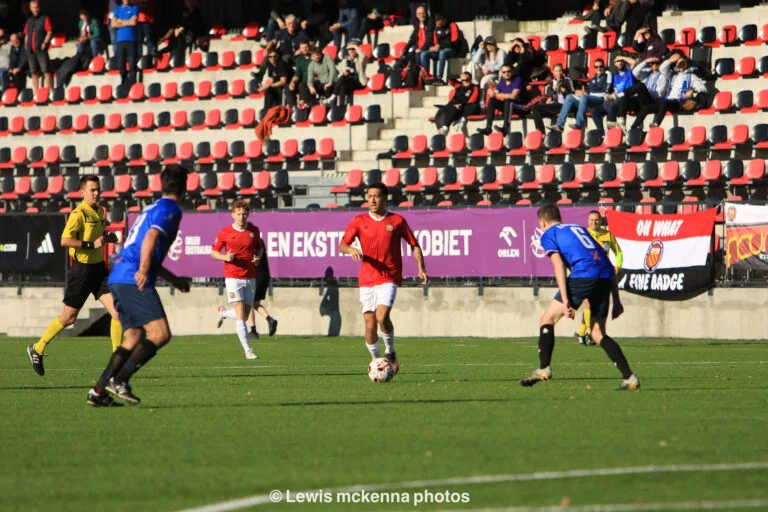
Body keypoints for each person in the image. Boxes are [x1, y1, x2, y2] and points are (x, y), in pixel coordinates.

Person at [88, 165, 191, 406]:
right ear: (185, 187)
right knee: (161, 333)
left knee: (133, 336)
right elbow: (151, 238)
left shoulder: (152, 207)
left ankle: (99, 391)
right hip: (132, 276)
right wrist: (144, 270)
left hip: (119, 276)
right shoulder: (170, 209)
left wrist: (174, 280)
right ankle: (120, 380)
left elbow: (147, 245)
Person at [520, 204, 639, 391]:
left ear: (542, 221)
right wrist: (617, 300)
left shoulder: (549, 234)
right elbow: (606, 261)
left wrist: (566, 299)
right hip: (605, 276)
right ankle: (629, 377)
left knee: (547, 319)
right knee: (597, 334)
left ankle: (544, 369)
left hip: (584, 274)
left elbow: (558, 265)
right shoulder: (579, 229)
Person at [26, 175, 122, 378]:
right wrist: (90, 245)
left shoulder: (100, 211)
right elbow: (64, 240)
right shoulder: (78, 214)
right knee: (68, 318)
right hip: (82, 271)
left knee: (118, 312)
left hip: (99, 270)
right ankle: (38, 348)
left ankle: (116, 362)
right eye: (92, 190)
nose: (96, 193)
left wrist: (107, 238)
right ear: (82, 192)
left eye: (98, 189)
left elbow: (97, 237)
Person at [339, 183, 428, 375]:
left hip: (389, 276)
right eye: (369, 196)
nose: (372, 200)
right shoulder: (358, 220)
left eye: (376, 196)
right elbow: (342, 245)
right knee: (370, 323)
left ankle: (390, 351)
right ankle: (378, 363)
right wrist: (351, 249)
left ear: (384, 198)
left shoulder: (396, 221)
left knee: (381, 317)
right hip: (366, 279)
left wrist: (421, 268)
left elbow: (415, 245)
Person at [210, 200, 263, 360]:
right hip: (233, 276)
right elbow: (214, 252)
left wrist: (258, 257)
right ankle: (248, 351)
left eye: (244, 214)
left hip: (250, 276)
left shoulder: (254, 231)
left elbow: (259, 247)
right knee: (241, 316)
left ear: (248, 214)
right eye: (238, 214)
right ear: (233, 215)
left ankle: (224, 312)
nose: (241, 217)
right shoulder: (225, 232)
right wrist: (226, 257)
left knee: (245, 315)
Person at [575, 211, 623, 345]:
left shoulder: (607, 235)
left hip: (603, 275)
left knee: (596, 306)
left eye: (596, 220)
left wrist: (618, 266)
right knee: (589, 304)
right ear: (588, 221)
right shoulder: (584, 235)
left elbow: (618, 252)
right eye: (591, 220)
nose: (594, 222)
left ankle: (581, 332)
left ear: (601, 221)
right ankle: (590, 333)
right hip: (588, 274)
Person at [217, 246, 278, 338]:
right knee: (255, 304)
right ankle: (269, 319)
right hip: (264, 277)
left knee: (249, 304)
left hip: (255, 276)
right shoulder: (257, 242)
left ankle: (253, 330)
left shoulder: (251, 241)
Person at [633, 53, 706, 129]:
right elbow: (662, 68)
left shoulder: (691, 76)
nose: (681, 65)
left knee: (664, 102)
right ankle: (633, 128)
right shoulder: (672, 75)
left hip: (679, 102)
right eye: (679, 63)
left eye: (683, 63)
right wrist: (670, 60)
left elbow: (703, 88)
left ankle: (656, 124)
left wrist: (693, 90)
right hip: (669, 101)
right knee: (646, 108)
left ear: (686, 64)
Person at [551, 58, 612, 133]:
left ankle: (578, 123)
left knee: (584, 97)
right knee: (570, 97)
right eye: (596, 67)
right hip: (589, 100)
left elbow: (606, 92)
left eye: (601, 66)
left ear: (604, 66)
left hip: (600, 99)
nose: (598, 68)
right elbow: (587, 90)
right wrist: (581, 92)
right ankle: (560, 125)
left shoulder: (607, 74)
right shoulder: (594, 77)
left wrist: (586, 94)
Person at [609, 55, 668, 133]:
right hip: (642, 99)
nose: (654, 65)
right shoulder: (647, 74)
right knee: (624, 98)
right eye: (652, 63)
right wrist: (646, 61)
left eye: (657, 63)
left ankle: (619, 95)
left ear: (661, 64)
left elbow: (659, 94)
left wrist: (644, 91)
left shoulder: (663, 76)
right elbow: (636, 72)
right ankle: (622, 123)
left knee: (641, 86)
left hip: (652, 100)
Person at [476, 65, 529, 136]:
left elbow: (513, 96)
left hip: (521, 107)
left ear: (512, 72)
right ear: (502, 73)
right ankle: (488, 128)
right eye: (504, 72)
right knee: (492, 101)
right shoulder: (502, 80)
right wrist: (491, 92)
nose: (506, 73)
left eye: (508, 71)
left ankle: (505, 128)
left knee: (508, 101)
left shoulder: (517, 80)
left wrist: (495, 94)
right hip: (509, 107)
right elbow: (496, 92)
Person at [531, 63, 574, 133]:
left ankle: (542, 132)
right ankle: (540, 132)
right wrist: (551, 94)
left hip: (564, 105)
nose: (558, 73)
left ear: (562, 71)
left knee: (537, 109)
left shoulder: (567, 80)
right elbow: (551, 95)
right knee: (535, 108)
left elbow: (572, 94)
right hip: (555, 105)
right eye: (556, 71)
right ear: (553, 72)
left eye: (560, 71)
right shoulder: (552, 82)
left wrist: (561, 89)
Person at [434, 71, 479, 135]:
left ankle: (446, 127)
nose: (463, 80)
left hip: (464, 106)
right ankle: (441, 130)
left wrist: (461, 105)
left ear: (469, 77)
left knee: (474, 106)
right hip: (453, 104)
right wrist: (459, 76)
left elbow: (473, 100)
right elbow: (450, 79)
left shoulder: (474, 88)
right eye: (462, 77)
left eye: (465, 76)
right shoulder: (458, 85)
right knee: (441, 111)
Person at [419, 13, 459, 85]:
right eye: (436, 22)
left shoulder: (452, 25)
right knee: (424, 54)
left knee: (442, 53)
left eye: (439, 22)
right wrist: (433, 47)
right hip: (439, 50)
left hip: (451, 49)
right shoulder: (436, 28)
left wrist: (440, 46)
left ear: (444, 20)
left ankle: (439, 78)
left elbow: (454, 41)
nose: (437, 24)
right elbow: (435, 41)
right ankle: (427, 76)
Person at [324, 42, 367, 106]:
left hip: (358, 82)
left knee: (343, 78)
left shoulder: (360, 60)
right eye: (350, 49)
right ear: (347, 51)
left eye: (353, 49)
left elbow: (363, 56)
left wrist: (356, 47)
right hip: (347, 82)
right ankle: (341, 107)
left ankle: (333, 97)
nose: (352, 51)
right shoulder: (344, 61)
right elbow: (339, 73)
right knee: (342, 86)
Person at [23, 0, 52, 90]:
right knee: (33, 72)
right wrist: (26, 45)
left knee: (46, 71)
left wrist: (45, 42)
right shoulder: (29, 20)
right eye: (34, 8)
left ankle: (48, 91)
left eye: (37, 7)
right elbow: (27, 34)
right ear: (30, 9)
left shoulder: (44, 18)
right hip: (30, 50)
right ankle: (36, 92)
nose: (36, 9)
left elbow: (49, 31)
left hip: (41, 49)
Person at [111, 0, 138, 88]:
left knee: (132, 64)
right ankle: (124, 82)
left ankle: (133, 84)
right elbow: (113, 24)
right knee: (121, 64)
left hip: (131, 40)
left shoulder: (134, 7)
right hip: (120, 40)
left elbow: (133, 22)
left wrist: (120, 21)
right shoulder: (117, 9)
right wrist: (127, 22)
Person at [287, 40, 312, 106]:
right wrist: (292, 82)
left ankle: (307, 104)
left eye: (306, 47)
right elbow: (297, 75)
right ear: (300, 49)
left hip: (313, 81)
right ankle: (293, 107)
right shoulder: (299, 59)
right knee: (288, 86)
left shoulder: (314, 57)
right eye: (302, 48)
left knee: (302, 85)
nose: (304, 49)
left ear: (309, 47)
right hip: (304, 82)